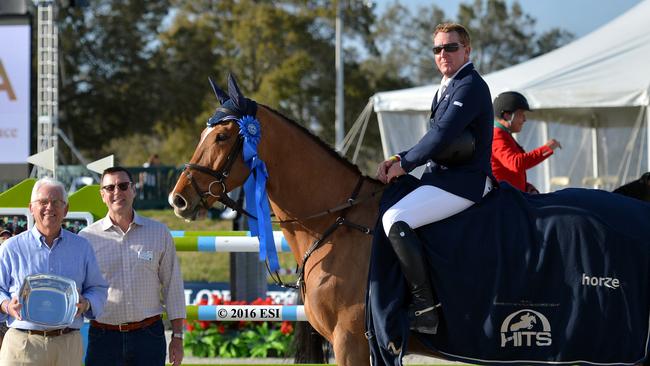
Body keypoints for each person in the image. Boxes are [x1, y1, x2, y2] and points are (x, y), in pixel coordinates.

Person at [375, 23, 494, 334]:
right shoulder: (448, 84)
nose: (443, 54)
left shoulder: (468, 86)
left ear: (467, 50)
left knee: (395, 218)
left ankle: (425, 309)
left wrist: (406, 163)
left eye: (451, 47)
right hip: (441, 177)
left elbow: (441, 136)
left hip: (464, 182)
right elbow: (434, 138)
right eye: (438, 49)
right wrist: (398, 158)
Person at [79, 166, 185, 366]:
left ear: (134, 190)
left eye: (123, 185)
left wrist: (178, 337)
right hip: (103, 338)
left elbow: (173, 287)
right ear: (102, 195)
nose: (117, 192)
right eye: (110, 188)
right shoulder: (86, 238)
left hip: (148, 337)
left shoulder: (159, 233)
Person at [0, 178, 108, 365]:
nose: (50, 207)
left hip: (67, 345)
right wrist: (7, 305)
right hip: (23, 345)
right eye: (43, 202)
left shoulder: (82, 247)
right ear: (31, 208)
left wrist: (87, 303)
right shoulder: (10, 247)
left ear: (66, 210)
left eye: (56, 202)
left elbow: (98, 288)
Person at [491, 91, 561, 193]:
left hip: (509, 197)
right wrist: (546, 149)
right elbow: (516, 163)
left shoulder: (503, 134)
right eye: (521, 114)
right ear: (507, 116)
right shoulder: (497, 135)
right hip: (504, 201)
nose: (524, 119)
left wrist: (526, 187)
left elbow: (509, 172)